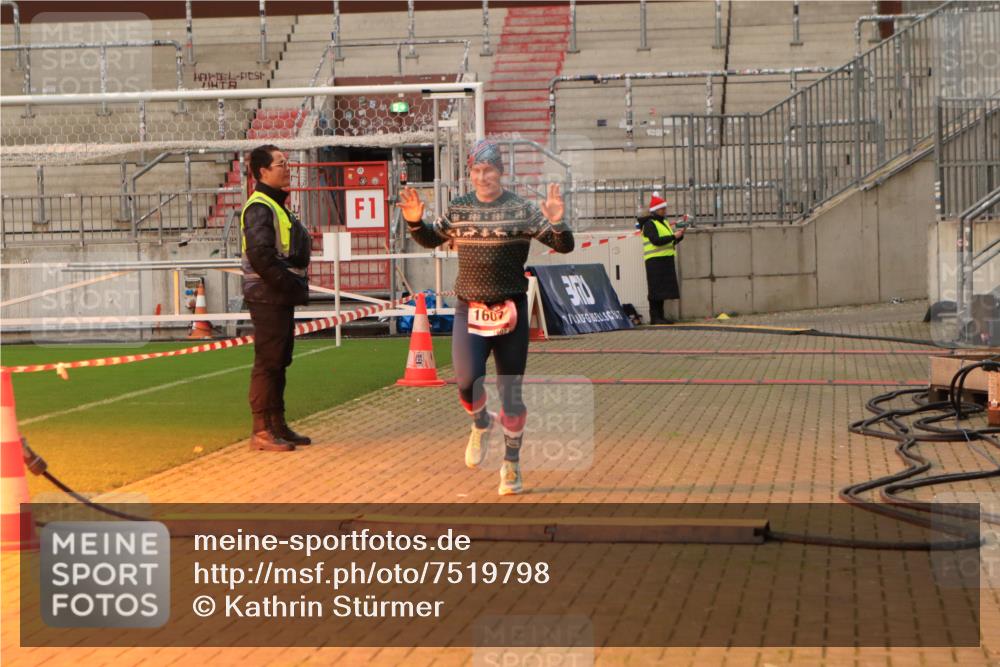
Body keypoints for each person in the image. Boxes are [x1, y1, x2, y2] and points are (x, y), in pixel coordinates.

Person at [398, 140, 574, 495]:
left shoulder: (521, 208)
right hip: (469, 309)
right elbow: (434, 238)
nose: (483, 177)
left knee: (511, 395)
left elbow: (564, 245)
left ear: (500, 172)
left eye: (489, 170)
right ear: (470, 174)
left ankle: (511, 464)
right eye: (477, 171)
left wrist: (557, 223)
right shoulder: (460, 208)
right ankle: (480, 423)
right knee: (467, 382)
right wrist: (416, 223)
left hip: (510, 309)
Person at [241, 145, 313, 452]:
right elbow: (261, 256)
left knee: (279, 360)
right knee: (268, 362)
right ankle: (262, 430)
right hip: (268, 294)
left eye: (287, 162)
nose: (288, 168)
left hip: (277, 294)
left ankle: (277, 424)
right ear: (263, 172)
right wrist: (288, 284)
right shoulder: (260, 207)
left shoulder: (274, 205)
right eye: (281, 164)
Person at [637, 192, 685, 324]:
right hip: (655, 261)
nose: (665, 211)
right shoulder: (649, 224)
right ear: (656, 210)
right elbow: (656, 241)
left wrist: (678, 237)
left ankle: (660, 316)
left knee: (662, 290)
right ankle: (655, 317)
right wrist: (673, 237)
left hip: (664, 260)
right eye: (662, 208)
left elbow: (669, 242)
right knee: (656, 289)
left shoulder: (663, 222)